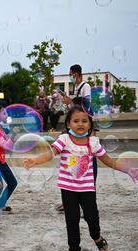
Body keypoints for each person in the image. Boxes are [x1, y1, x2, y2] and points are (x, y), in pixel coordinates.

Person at [23, 105, 138, 251]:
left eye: (84, 121)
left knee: (92, 216)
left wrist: (128, 170)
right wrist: (35, 160)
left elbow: (108, 161)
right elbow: (50, 153)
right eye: (76, 121)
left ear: (90, 124)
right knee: (72, 219)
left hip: (87, 188)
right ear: (68, 124)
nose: (80, 124)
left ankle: (97, 237)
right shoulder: (64, 139)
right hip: (68, 188)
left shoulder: (93, 142)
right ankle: (75, 249)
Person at [57, 64, 95, 212]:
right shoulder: (77, 88)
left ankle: (83, 198)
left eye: (71, 74)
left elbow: (85, 106)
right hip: (75, 127)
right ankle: (68, 200)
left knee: (85, 160)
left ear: (77, 73)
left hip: (83, 128)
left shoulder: (86, 86)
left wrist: (71, 102)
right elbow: (74, 110)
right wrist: (69, 103)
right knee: (71, 161)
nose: (71, 77)